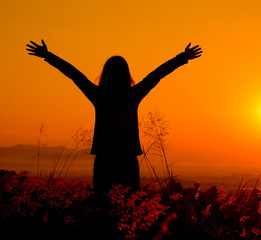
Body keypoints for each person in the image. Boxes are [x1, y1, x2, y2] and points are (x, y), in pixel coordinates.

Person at [26, 40, 202, 206]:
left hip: (105, 161)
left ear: (105, 74)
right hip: (127, 161)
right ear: (126, 74)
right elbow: (157, 75)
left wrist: (48, 56)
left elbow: (74, 75)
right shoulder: (132, 95)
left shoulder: (98, 95)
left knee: (104, 209)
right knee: (128, 210)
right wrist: (182, 58)